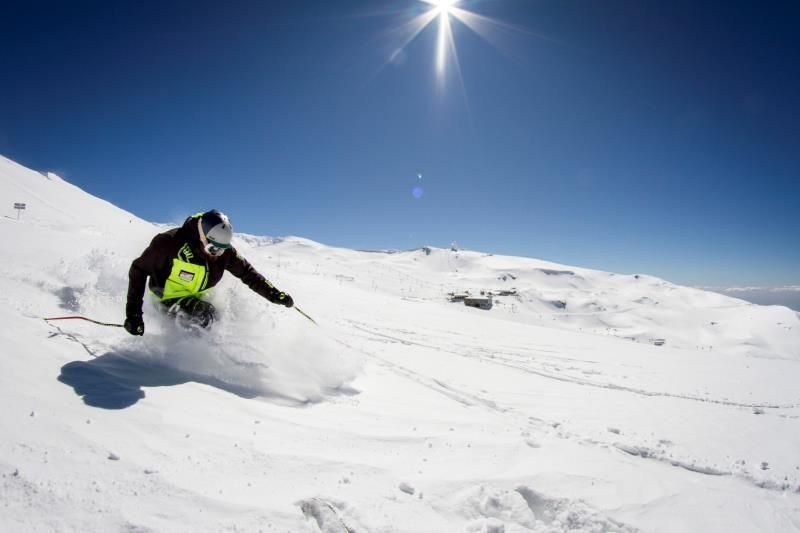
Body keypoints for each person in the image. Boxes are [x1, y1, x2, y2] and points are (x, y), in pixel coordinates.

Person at [124, 210, 293, 335]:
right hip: (166, 298)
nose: (217, 254)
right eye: (213, 249)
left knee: (228, 317)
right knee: (206, 317)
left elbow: (247, 273)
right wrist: (134, 315)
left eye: (222, 250)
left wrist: (274, 294)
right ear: (202, 237)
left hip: (197, 296)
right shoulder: (169, 244)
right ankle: (189, 359)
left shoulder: (224, 253)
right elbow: (138, 270)